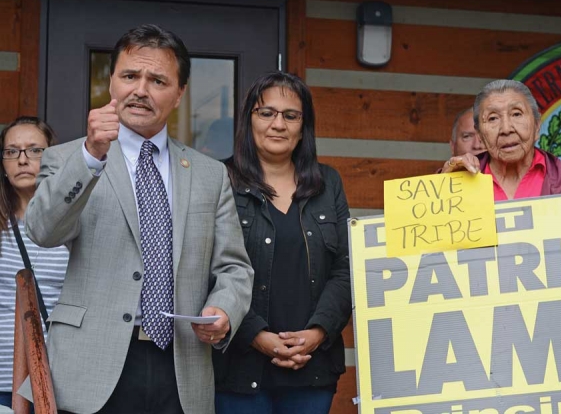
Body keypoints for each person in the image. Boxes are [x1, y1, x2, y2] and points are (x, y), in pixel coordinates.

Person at [24, 24, 254, 414]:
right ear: (112, 83)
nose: (141, 90)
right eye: (130, 76)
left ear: (179, 93)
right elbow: (43, 231)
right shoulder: (69, 159)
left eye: (158, 80)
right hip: (90, 367)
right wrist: (92, 155)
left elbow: (234, 266)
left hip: (181, 368)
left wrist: (224, 309)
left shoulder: (209, 173)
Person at [213, 71, 351, 414]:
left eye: (291, 115)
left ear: (303, 127)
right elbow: (205, 271)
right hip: (239, 366)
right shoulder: (219, 181)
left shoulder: (328, 183)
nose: (279, 124)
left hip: (312, 367)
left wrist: (318, 332)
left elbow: (346, 270)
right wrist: (257, 336)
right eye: (267, 113)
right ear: (249, 120)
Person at [0, 117, 68, 407]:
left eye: (34, 150)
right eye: (12, 151)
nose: (23, 159)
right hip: (2, 374)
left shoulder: (73, 224)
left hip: (59, 375)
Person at [440, 79, 561, 200]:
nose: (506, 129)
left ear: (537, 126)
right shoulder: (458, 178)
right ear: (481, 135)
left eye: (516, 114)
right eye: (493, 118)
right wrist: (443, 189)